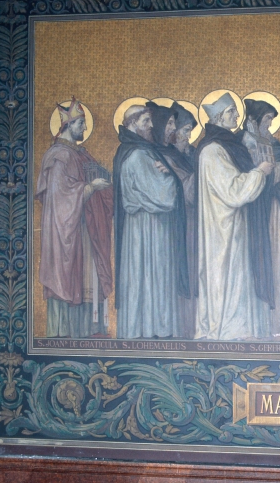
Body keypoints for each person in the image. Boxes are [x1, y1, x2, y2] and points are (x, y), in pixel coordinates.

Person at [194, 93, 274, 340]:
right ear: (218, 117)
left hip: (233, 224)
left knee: (236, 277)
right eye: (231, 112)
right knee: (227, 276)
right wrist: (260, 172)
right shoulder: (212, 151)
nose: (237, 116)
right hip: (223, 229)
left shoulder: (226, 145)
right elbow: (234, 191)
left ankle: (237, 330)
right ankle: (227, 332)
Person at [36, 97, 112, 338]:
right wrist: (90, 187)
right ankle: (66, 332)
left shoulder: (80, 153)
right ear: (67, 126)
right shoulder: (59, 156)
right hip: (67, 230)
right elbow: (60, 198)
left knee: (87, 275)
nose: (85, 129)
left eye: (85, 123)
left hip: (85, 227)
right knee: (69, 275)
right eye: (81, 124)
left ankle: (89, 329)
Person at [113, 104, 189, 338]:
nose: (150, 126)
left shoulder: (136, 150)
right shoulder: (138, 154)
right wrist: (174, 176)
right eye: (145, 121)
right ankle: (154, 329)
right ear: (132, 124)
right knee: (151, 275)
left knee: (145, 277)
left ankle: (144, 328)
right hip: (148, 227)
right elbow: (162, 195)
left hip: (145, 225)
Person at [238, 99, 280, 338]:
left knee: (279, 267)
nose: (270, 124)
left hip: (276, 212)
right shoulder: (246, 143)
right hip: (258, 214)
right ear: (253, 119)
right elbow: (266, 179)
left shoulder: (272, 143)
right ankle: (261, 326)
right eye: (266, 119)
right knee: (262, 263)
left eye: (272, 119)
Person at [146, 101, 198, 339]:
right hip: (175, 225)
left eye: (189, 131)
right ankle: (180, 328)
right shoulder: (161, 155)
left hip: (192, 223)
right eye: (185, 130)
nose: (188, 136)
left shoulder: (187, 154)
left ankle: (190, 327)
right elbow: (182, 190)